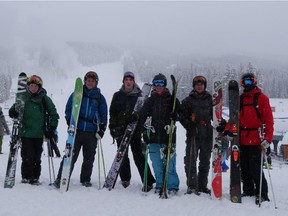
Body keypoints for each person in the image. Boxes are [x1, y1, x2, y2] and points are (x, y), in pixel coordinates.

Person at [219, 73, 273, 204]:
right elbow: (234, 118)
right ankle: (249, 190)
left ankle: (262, 194)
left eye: (250, 82)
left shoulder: (261, 98)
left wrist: (268, 139)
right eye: (245, 82)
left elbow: (269, 120)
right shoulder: (240, 99)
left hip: (256, 139)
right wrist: (226, 129)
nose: (247, 85)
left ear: (254, 82)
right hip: (241, 139)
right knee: (243, 167)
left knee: (256, 168)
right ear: (242, 84)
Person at [54, 71, 107, 188]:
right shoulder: (77, 93)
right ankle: (61, 177)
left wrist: (102, 129)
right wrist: (69, 121)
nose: (90, 83)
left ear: (96, 83)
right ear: (85, 81)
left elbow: (104, 114)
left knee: (89, 158)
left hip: (91, 132)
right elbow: (68, 108)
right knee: (70, 155)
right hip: (77, 131)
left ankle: (85, 179)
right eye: (88, 80)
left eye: (92, 81)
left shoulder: (99, 98)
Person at [109, 71, 155, 191]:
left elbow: (145, 113)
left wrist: (139, 120)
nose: (128, 82)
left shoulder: (140, 95)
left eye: (130, 80)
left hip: (135, 130)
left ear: (133, 81)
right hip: (121, 130)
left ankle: (148, 180)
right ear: (123, 81)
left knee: (139, 156)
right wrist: (112, 127)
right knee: (122, 156)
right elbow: (112, 112)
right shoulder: (117, 95)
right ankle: (125, 179)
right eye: (126, 80)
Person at [9, 75, 59, 184]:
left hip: (38, 133)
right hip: (26, 133)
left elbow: (54, 113)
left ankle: (35, 177)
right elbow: (14, 109)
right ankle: (26, 177)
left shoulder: (44, 98)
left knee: (37, 157)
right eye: (31, 86)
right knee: (27, 156)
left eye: (35, 86)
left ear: (39, 87)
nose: (33, 88)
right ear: (28, 86)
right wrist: (12, 112)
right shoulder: (23, 97)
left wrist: (51, 128)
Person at [139, 73, 180, 195]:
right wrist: (144, 133)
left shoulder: (172, 100)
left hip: (168, 137)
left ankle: (172, 185)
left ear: (165, 85)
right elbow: (142, 118)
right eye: (156, 83)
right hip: (153, 137)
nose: (158, 86)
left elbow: (181, 114)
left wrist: (176, 116)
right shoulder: (150, 101)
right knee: (156, 164)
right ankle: (160, 184)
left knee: (170, 164)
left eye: (161, 83)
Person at [179, 75, 213, 195]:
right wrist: (188, 125)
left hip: (207, 133)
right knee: (190, 160)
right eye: (197, 85)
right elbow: (181, 116)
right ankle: (192, 185)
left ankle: (202, 185)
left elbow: (216, 116)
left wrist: (221, 124)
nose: (199, 86)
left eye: (201, 84)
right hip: (193, 133)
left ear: (204, 86)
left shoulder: (210, 100)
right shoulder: (188, 100)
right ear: (194, 86)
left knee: (205, 161)